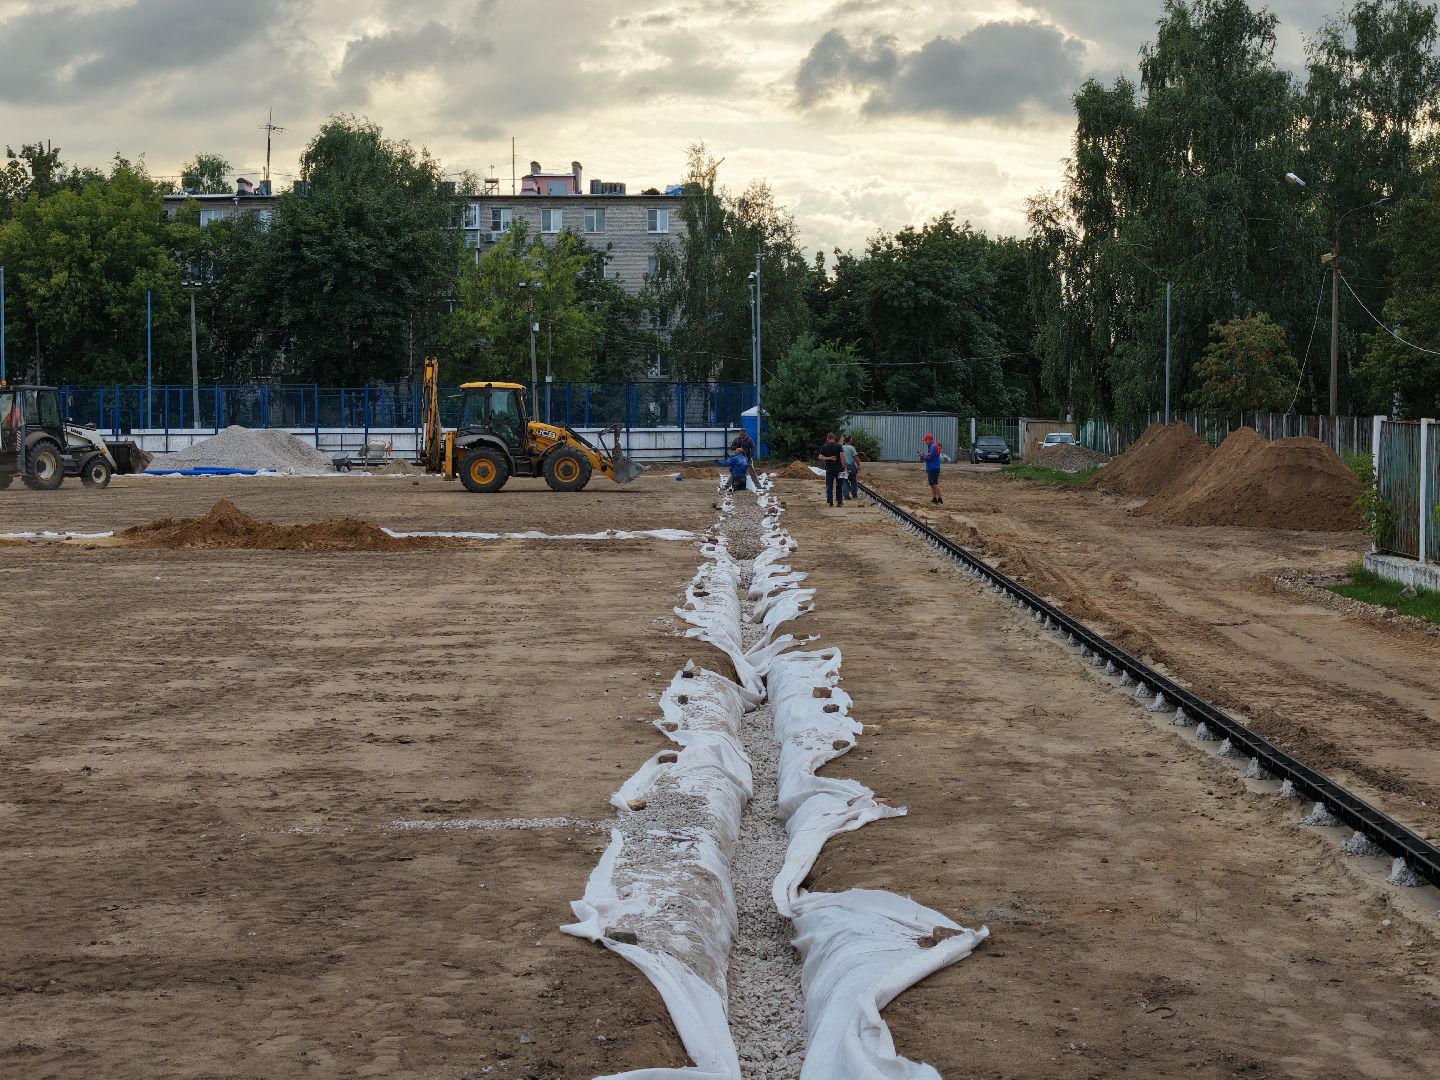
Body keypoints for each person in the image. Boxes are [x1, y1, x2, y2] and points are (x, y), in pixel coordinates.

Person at [818, 432, 845, 506]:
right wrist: (845, 467)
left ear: (827, 438)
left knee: (829, 485)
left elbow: (820, 457)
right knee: (839, 485)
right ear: (834, 438)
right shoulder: (839, 446)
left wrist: (829, 458)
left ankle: (830, 501)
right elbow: (842, 457)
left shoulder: (824, 446)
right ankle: (839, 501)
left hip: (829, 469)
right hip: (839, 468)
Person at [918, 433, 943, 504]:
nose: (925, 442)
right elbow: (929, 456)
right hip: (931, 468)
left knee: (934, 484)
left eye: (925, 440)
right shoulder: (932, 446)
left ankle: (940, 499)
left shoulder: (933, 447)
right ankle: (934, 498)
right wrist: (924, 455)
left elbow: (930, 457)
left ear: (929, 440)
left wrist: (923, 456)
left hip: (933, 468)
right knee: (932, 485)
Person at [841, 435, 859, 499]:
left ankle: (845, 495)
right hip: (851, 466)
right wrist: (858, 465)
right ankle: (854, 494)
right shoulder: (852, 448)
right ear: (850, 440)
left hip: (842, 466)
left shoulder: (841, 447)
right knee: (853, 480)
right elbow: (855, 457)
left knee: (844, 480)